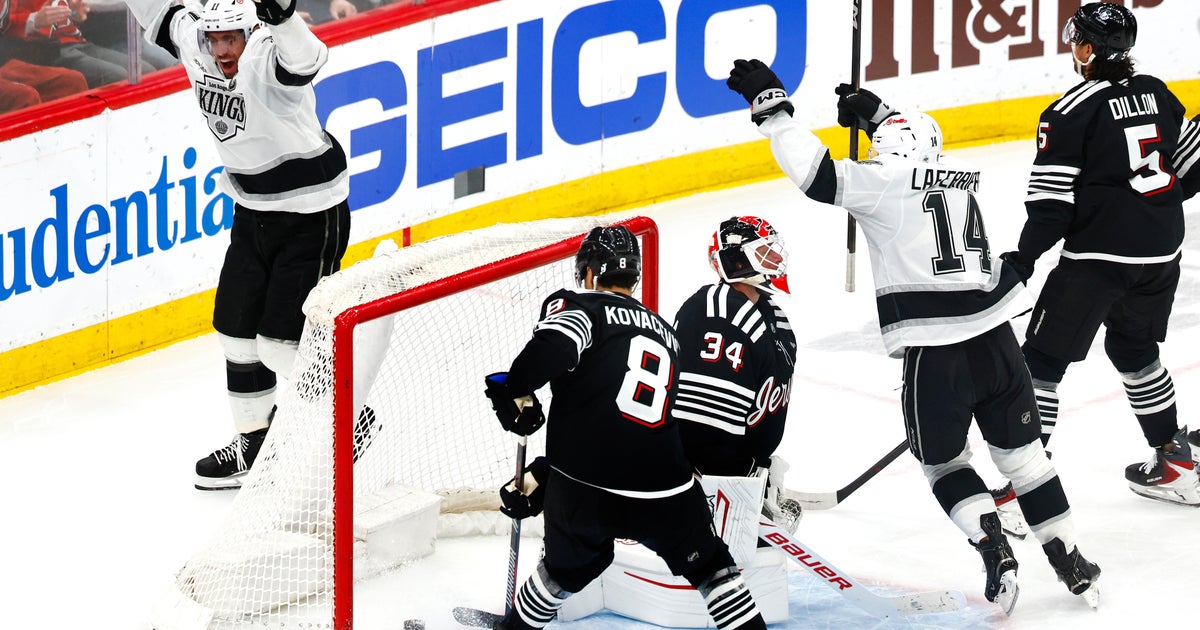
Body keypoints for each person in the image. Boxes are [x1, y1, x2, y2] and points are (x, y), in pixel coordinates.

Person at [726, 59, 1101, 613]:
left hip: (936, 356)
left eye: (881, 144)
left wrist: (772, 107)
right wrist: (877, 113)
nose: (875, 152)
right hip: (998, 345)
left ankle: (993, 547)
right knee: (1025, 460)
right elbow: (913, 143)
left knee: (946, 466)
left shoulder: (883, 183)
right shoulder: (961, 179)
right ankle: (1072, 559)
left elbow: (815, 174)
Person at [484, 225, 766, 630]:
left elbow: (555, 349)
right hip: (666, 485)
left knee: (564, 569)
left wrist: (511, 388)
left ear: (588, 274)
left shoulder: (578, 306)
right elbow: (629, 414)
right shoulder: (666, 332)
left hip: (587, 487)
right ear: (633, 276)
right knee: (711, 567)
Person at [121, 0, 350, 489]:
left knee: (281, 346)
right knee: (236, 334)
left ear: (252, 33)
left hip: (311, 212)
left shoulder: (266, 55)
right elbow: (157, 10)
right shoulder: (197, 43)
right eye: (215, 39)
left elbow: (307, 60)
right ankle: (254, 447)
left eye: (232, 39)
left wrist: (284, 18)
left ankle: (355, 415)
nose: (222, 49)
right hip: (254, 212)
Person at [997, 2, 1200, 507]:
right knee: (1135, 352)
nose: (1072, 47)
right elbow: (1190, 173)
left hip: (1096, 261)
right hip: (1160, 253)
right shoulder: (1156, 91)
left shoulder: (1067, 111)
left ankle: (1027, 485)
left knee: (1041, 363)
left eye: (1076, 40)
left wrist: (1022, 260)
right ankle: (1175, 461)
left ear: (1088, 49)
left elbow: (1051, 208)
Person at [672, 215, 800, 527]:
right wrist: (735, 481)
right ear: (737, 261)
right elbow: (700, 426)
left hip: (744, 471)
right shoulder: (716, 313)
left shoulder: (770, 312)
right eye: (764, 251)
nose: (776, 258)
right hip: (713, 486)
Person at [1, 0, 159, 87]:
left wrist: (76, 14)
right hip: (46, 51)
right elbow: (5, 27)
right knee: (122, 76)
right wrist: (33, 21)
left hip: (77, 41)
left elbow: (74, 11)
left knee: (145, 72)